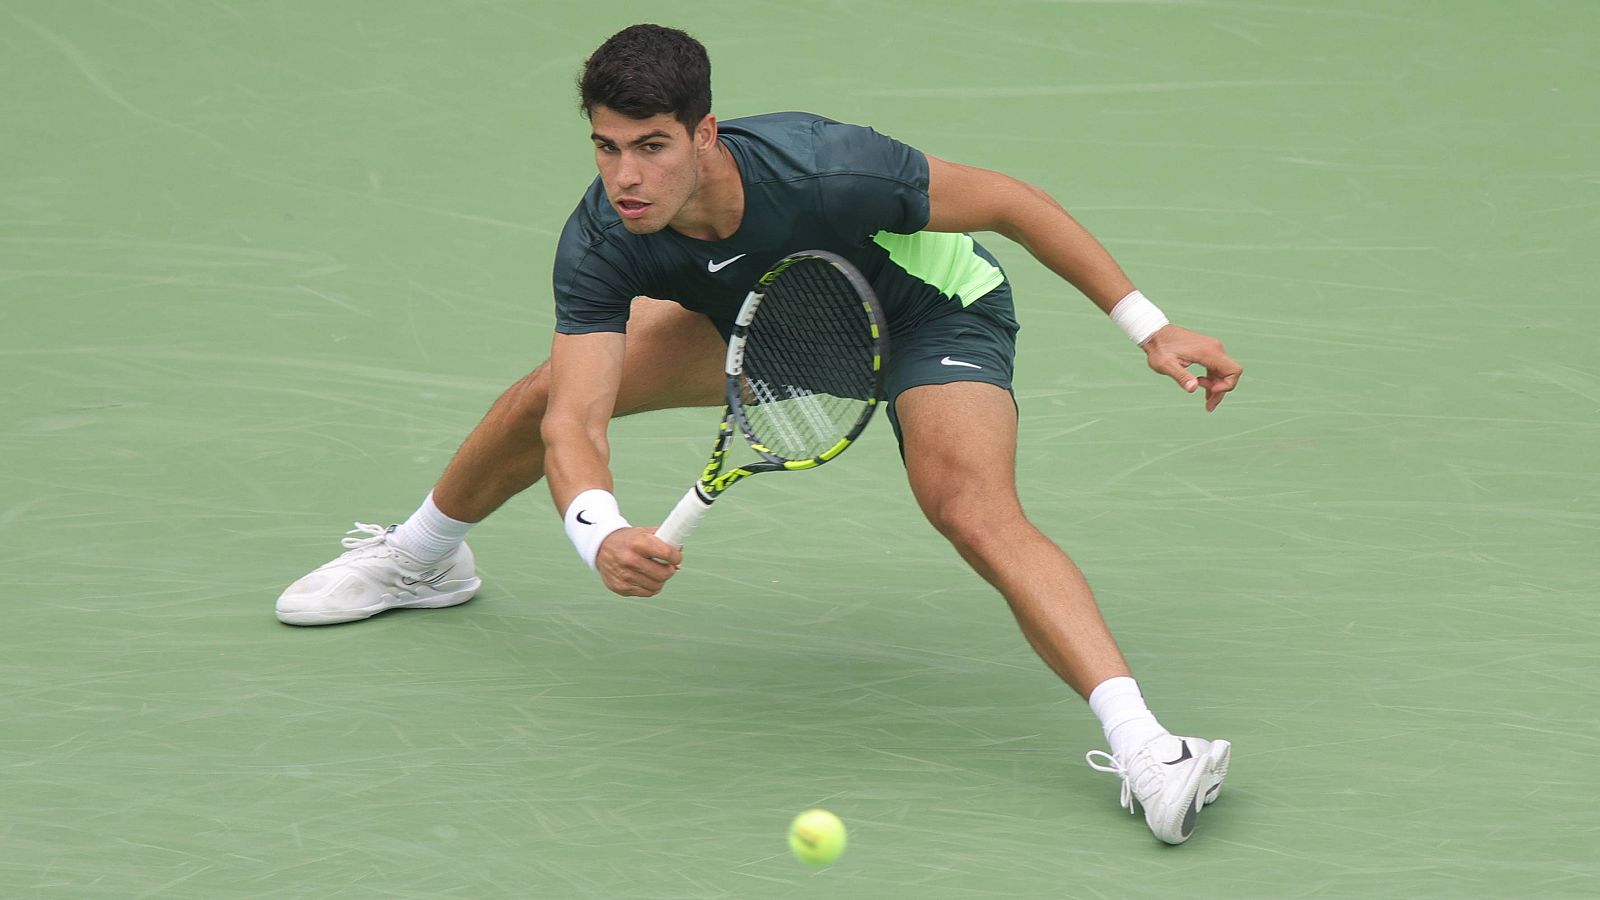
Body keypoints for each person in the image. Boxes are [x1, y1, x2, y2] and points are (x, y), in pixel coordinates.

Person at [276, 24, 1243, 845]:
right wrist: (598, 530)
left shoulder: (826, 168)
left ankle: (1148, 749)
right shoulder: (603, 238)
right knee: (544, 394)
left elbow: (1012, 204)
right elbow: (574, 419)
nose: (626, 176)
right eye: (607, 147)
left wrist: (1150, 328)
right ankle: (422, 558)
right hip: (771, 319)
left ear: (705, 134)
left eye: (652, 146)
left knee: (970, 508)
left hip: (930, 314)